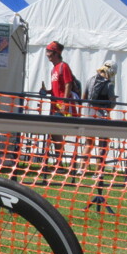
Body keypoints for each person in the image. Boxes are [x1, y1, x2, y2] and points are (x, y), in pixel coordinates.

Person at [38, 41, 80, 169]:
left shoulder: (63, 66)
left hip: (63, 106)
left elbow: (68, 84)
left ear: (56, 53)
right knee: (54, 134)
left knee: (56, 133)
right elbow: (57, 88)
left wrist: (65, 102)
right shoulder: (53, 69)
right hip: (55, 105)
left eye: (49, 52)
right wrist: (47, 91)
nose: (47, 55)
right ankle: (59, 163)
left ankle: (60, 164)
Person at [82, 60, 117, 170]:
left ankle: (81, 169)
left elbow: (84, 97)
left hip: (89, 113)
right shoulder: (109, 84)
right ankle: (98, 171)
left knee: (88, 143)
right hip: (102, 115)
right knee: (102, 144)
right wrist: (109, 109)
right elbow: (112, 102)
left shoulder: (90, 80)